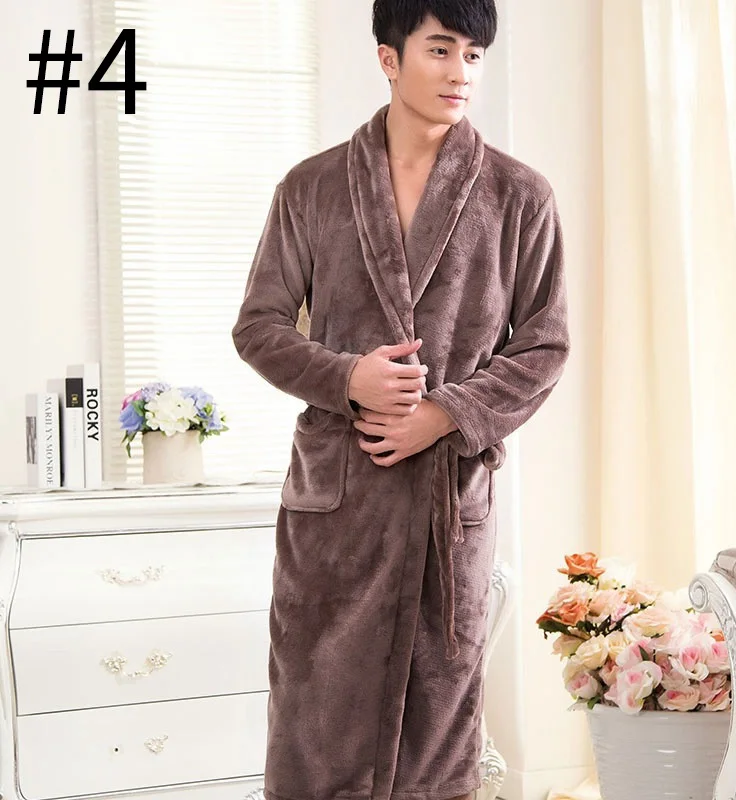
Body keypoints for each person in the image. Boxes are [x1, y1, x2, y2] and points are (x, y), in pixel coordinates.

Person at [231, 2, 570, 799]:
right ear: (389, 59)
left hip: (443, 505)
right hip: (336, 509)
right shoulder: (312, 188)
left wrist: (446, 414)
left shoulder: (519, 195)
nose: (460, 72)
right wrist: (347, 377)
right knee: (317, 716)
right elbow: (259, 326)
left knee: (436, 729)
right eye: (440, 50)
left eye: (474, 55)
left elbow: (544, 345)